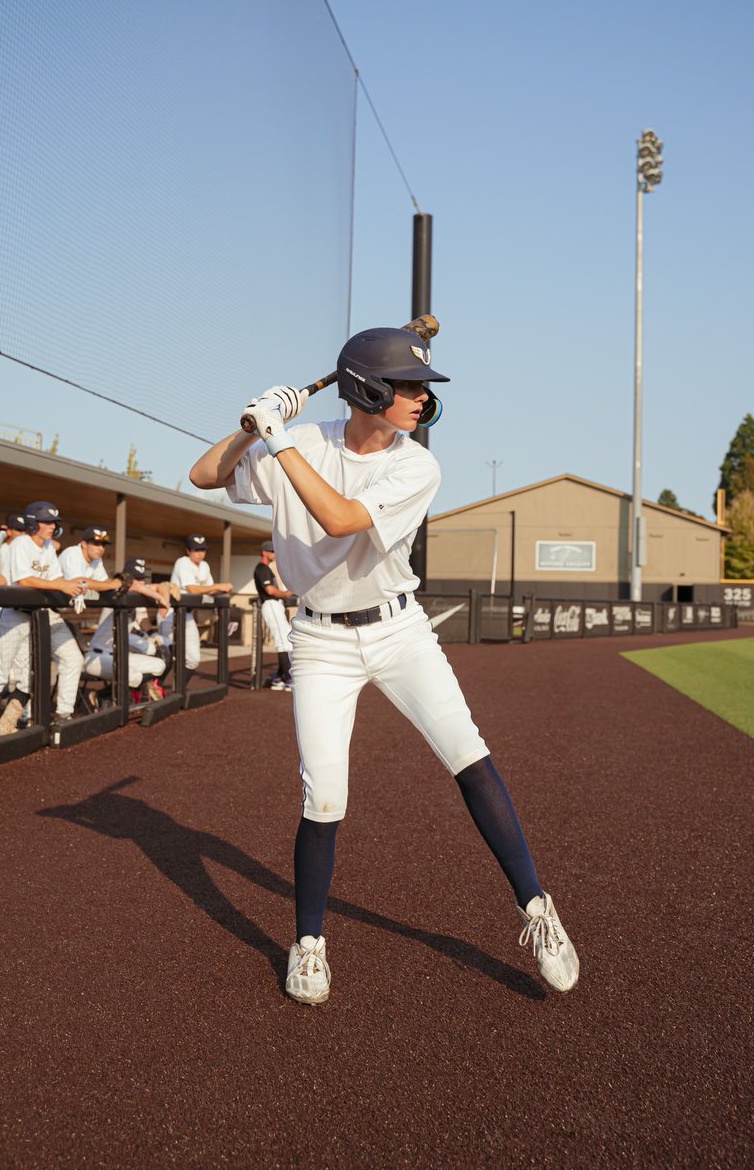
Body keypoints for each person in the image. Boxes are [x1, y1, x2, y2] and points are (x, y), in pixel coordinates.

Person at [189, 326, 579, 1006]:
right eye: (407, 386)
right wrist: (250, 425)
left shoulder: (416, 466)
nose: (420, 399)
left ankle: (538, 909)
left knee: (468, 755)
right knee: (325, 796)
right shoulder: (303, 443)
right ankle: (309, 942)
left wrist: (277, 438)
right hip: (320, 642)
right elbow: (203, 475)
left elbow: (340, 518)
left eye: (422, 387)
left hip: (399, 630)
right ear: (367, 388)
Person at [0, 501, 85, 735]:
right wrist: (61, 585)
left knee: (25, 678)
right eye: (47, 522)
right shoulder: (21, 543)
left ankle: (6, 726)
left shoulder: (49, 547)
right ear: (33, 523)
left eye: (54, 522)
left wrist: (73, 586)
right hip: (9, 615)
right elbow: (24, 581)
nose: (52, 526)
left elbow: (56, 579)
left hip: (30, 617)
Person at [83, 557, 169, 706]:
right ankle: (108, 699)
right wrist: (157, 596)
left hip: (119, 656)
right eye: (136, 578)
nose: (140, 582)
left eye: (142, 578)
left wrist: (163, 596)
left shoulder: (139, 594)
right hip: (98, 657)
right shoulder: (116, 589)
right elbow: (133, 586)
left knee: (159, 665)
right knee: (133, 675)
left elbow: (161, 586)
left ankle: (101, 696)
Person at [160, 535, 232, 686]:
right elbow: (192, 589)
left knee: (193, 659)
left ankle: (177, 689)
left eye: (202, 550)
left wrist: (221, 589)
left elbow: (209, 590)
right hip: (170, 615)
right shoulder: (183, 562)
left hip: (187, 616)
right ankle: (154, 687)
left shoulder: (204, 565)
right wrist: (218, 586)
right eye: (195, 550)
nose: (199, 553)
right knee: (167, 655)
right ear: (188, 550)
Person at [254, 539, 294, 690]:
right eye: (271, 551)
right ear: (264, 552)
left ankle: (280, 678)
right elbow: (270, 590)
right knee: (283, 641)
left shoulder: (268, 568)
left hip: (276, 605)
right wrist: (284, 593)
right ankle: (288, 678)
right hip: (270, 604)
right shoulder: (261, 568)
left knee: (287, 640)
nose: (274, 553)